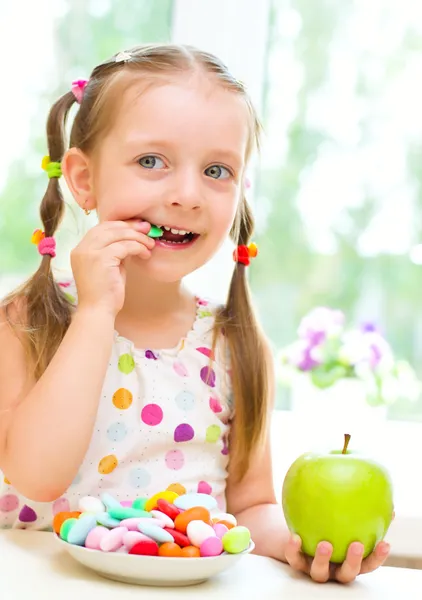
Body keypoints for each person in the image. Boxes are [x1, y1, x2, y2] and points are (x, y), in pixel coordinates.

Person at [0, 44, 391, 583]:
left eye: (216, 170)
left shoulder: (237, 345)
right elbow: (36, 478)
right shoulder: (27, 321)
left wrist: (300, 546)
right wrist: (95, 312)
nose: (187, 195)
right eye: (151, 161)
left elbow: (251, 506)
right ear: (84, 179)